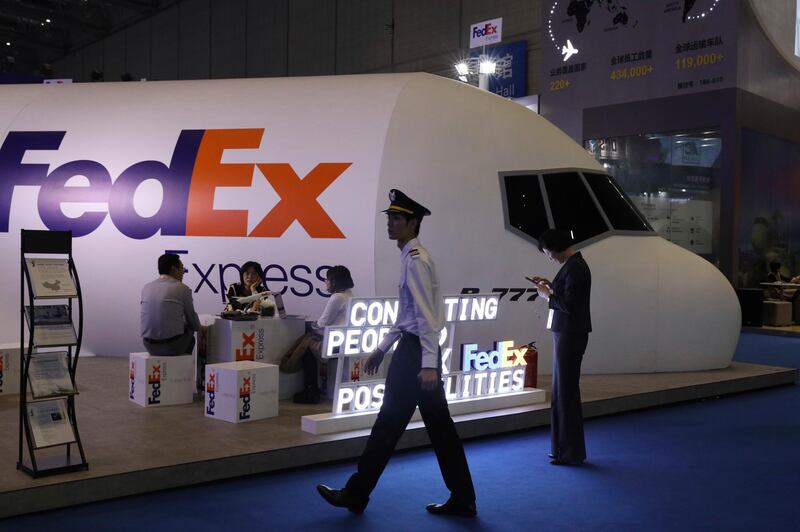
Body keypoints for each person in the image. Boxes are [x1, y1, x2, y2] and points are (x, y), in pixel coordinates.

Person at [316, 189, 476, 518]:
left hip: (416, 357)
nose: (390, 223)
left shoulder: (416, 261)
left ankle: (357, 494)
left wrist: (428, 364)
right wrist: (382, 347)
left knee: (390, 425)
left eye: (397, 219)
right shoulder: (410, 257)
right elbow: (407, 315)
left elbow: (427, 318)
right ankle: (462, 498)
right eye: (389, 218)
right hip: (413, 352)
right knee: (435, 430)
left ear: (413, 224)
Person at [529, 229, 592, 466]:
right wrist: (550, 288)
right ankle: (563, 450)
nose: (549, 257)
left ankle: (569, 452)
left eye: (548, 252)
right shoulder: (573, 265)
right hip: (566, 334)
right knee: (562, 392)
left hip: (569, 334)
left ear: (556, 246)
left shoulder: (576, 267)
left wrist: (547, 295)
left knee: (565, 393)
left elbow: (571, 305)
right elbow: (567, 297)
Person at [280, 265, 354, 404]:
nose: (325, 282)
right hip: (343, 341)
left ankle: (310, 389)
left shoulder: (337, 297)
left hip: (335, 344)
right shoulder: (349, 294)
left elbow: (322, 323)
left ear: (334, 282)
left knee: (306, 345)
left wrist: (311, 325)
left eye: (327, 280)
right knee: (307, 339)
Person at [140, 253, 202, 356]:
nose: (183, 273)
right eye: (182, 269)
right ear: (174, 269)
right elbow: (194, 324)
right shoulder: (182, 288)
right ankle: (183, 368)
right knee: (189, 328)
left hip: (148, 345)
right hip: (174, 346)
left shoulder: (146, 287)